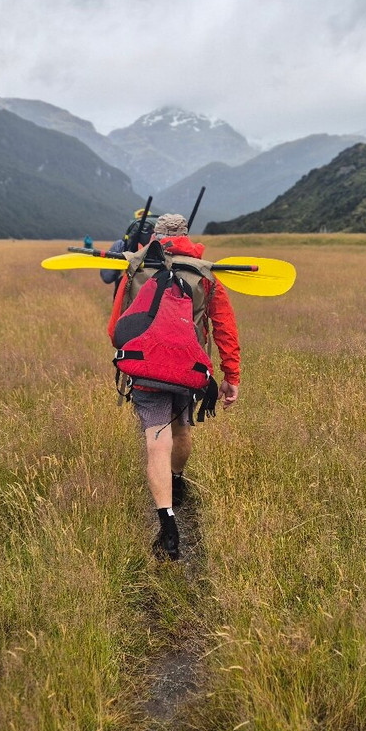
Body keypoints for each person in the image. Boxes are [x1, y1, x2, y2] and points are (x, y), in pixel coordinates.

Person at [107, 213, 240, 561]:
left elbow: (114, 329)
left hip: (145, 367)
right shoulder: (206, 274)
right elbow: (224, 328)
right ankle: (177, 480)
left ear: (156, 236)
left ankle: (167, 528)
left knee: (156, 441)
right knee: (181, 430)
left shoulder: (136, 267)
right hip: (189, 368)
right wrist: (231, 377)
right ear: (184, 236)